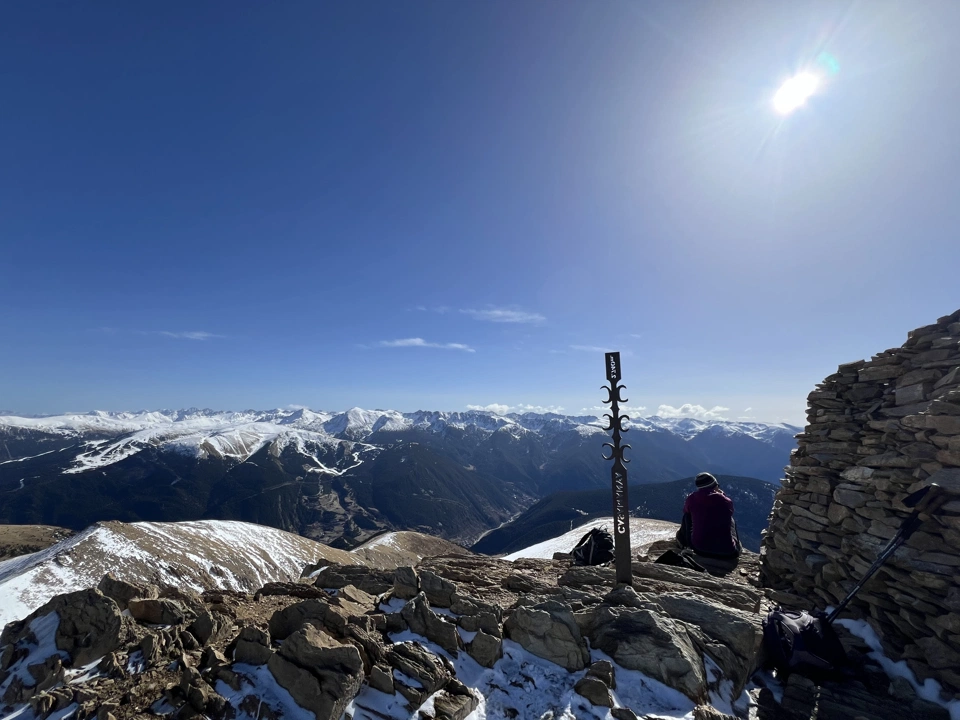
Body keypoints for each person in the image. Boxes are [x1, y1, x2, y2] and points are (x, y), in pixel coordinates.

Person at [676, 472, 741, 558]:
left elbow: (685, 510)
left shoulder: (692, 498)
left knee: (687, 516)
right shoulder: (725, 500)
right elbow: (730, 511)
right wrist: (722, 495)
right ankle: (736, 545)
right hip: (728, 553)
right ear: (714, 486)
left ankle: (685, 543)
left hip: (699, 550)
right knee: (731, 519)